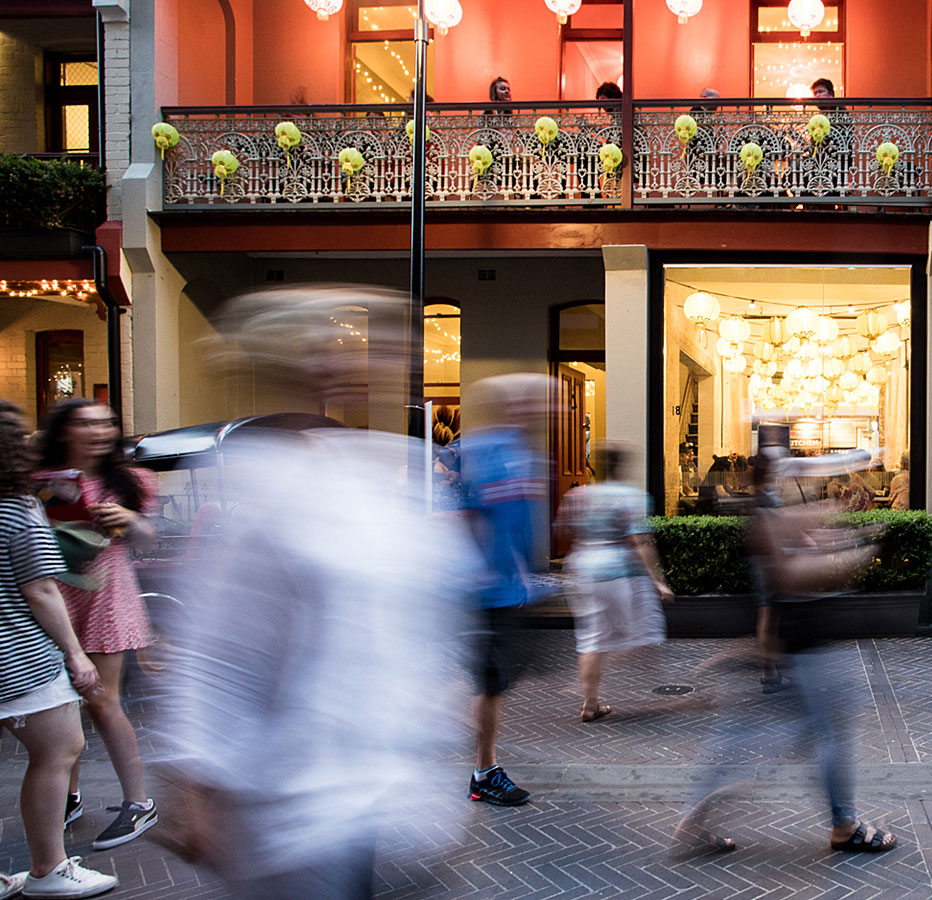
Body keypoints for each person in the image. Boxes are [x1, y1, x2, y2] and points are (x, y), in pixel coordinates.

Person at [154, 285, 472, 899]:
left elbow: (406, 622)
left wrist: (438, 702)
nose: (365, 357)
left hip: (382, 797)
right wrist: (197, 786)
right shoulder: (267, 493)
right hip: (297, 808)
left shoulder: (367, 470)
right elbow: (220, 655)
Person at [676, 445, 895, 856]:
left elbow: (803, 542)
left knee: (761, 736)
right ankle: (844, 825)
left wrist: (835, 534)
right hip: (803, 647)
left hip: (799, 646)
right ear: (768, 477)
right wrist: (858, 551)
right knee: (818, 735)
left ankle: (698, 815)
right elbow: (786, 578)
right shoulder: (764, 518)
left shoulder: (772, 513)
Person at [0, 399, 118, 899]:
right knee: (61, 747)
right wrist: (74, 652)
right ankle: (49, 868)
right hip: (17, 653)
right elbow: (41, 587)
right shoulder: (17, 504)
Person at [35, 398, 159, 850]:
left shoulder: (131, 480)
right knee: (57, 700)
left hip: (107, 593)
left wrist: (131, 519)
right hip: (53, 594)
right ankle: (69, 797)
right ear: (65, 432)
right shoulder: (40, 480)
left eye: (106, 423)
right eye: (87, 424)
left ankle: (139, 802)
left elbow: (148, 538)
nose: (100, 431)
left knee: (102, 700)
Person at [458, 373, 554, 806]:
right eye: (530, 401)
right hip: (486, 594)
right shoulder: (482, 449)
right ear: (510, 405)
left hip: (510, 592)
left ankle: (485, 766)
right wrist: (477, 575)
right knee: (489, 684)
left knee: (495, 684)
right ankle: (484, 772)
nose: (539, 409)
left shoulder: (527, 454)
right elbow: (465, 514)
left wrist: (529, 580)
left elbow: (519, 524)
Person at [556, 444, 672, 722]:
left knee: (591, 638)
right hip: (617, 573)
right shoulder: (632, 496)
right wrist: (658, 581)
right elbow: (640, 541)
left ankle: (589, 702)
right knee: (645, 637)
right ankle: (592, 680)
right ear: (622, 467)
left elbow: (563, 529)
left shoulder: (577, 495)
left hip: (583, 569)